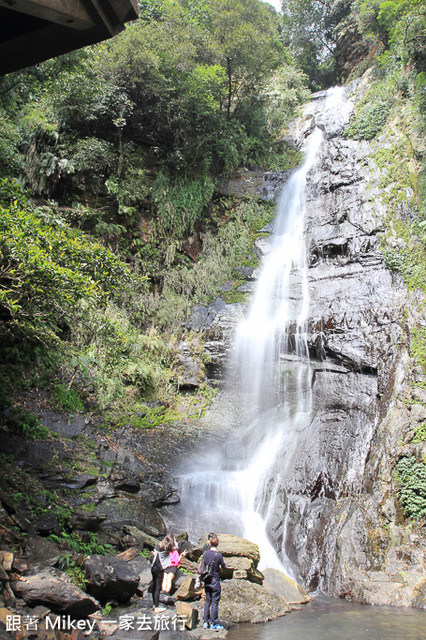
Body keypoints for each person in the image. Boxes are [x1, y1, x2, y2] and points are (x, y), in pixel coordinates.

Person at [202, 535, 226, 631]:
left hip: (207, 580)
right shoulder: (218, 555)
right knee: (215, 602)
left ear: (210, 543)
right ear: (217, 544)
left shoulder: (205, 554)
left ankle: (205, 622)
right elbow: (224, 566)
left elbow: (203, 565)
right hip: (215, 581)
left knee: (208, 601)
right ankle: (214, 623)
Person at [151, 535, 175, 613]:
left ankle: (154, 604)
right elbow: (175, 549)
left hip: (153, 567)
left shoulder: (158, 545)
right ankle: (157, 607)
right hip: (160, 568)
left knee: (154, 586)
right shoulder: (167, 548)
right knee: (158, 588)